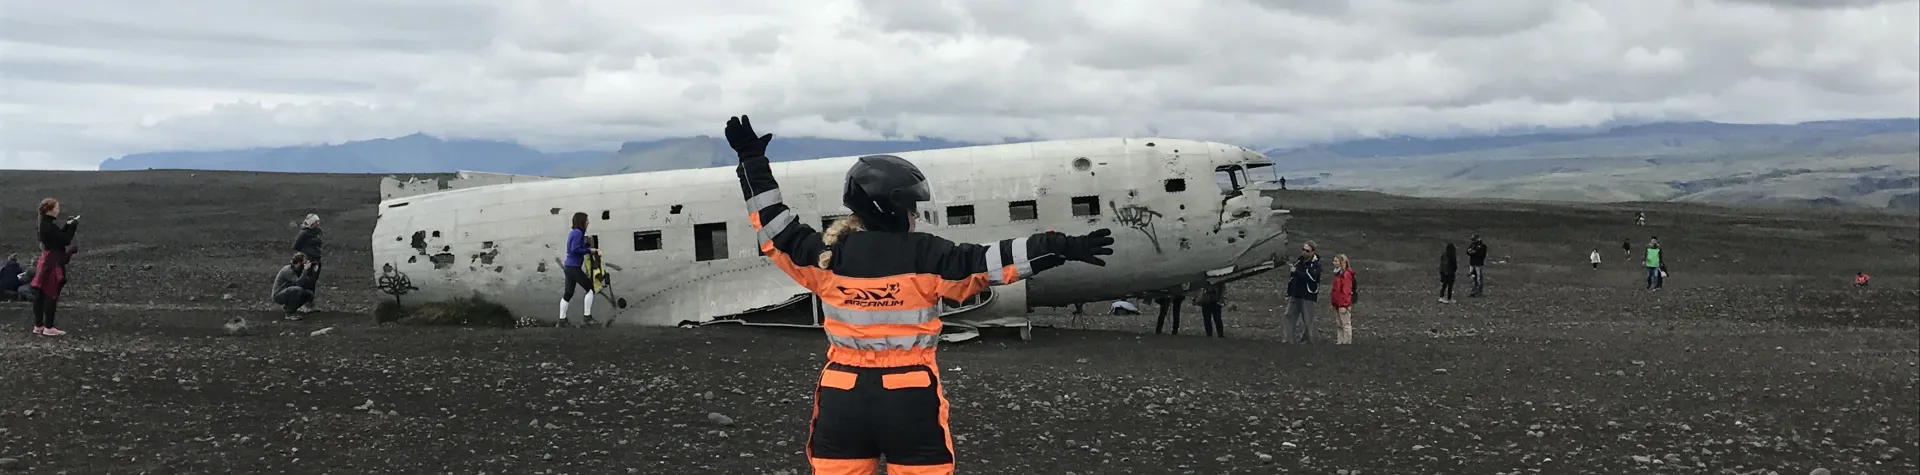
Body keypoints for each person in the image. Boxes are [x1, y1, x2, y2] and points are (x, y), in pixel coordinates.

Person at [726, 115, 1114, 474]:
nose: (915, 213)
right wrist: (1063, 246)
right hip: (909, 397)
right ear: (892, 206)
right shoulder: (929, 254)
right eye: (911, 205)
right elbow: (994, 261)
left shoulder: (826, 257)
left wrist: (751, 161)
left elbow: (775, 228)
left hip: (843, 396)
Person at [30, 198, 80, 336]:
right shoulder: (49, 226)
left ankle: (38, 325)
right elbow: (64, 240)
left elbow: (58, 238)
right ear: (49, 210)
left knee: (40, 294)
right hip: (53, 263)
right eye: (56, 208)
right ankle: (49, 327)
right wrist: (73, 226)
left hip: (45, 261)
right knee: (51, 293)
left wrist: (66, 226)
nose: (58, 210)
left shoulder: (44, 224)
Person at [558, 212, 600, 327]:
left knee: (568, 293)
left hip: (568, 267)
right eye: (586, 220)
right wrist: (589, 251)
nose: (588, 222)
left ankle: (562, 320)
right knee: (590, 289)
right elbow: (574, 250)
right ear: (582, 221)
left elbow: (574, 249)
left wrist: (586, 246)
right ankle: (587, 318)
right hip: (574, 267)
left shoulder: (574, 233)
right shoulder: (578, 233)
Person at [1282, 240, 1322, 344]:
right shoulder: (1299, 261)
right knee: (1289, 315)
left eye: (1307, 251)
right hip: (1296, 293)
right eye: (1303, 250)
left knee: (1308, 319)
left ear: (1313, 252)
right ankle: (1288, 339)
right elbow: (1292, 278)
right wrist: (1289, 291)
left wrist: (1296, 272)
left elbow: (1312, 277)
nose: (1304, 252)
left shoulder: (1316, 264)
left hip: (1308, 295)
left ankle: (1307, 339)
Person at [292, 213, 325, 311]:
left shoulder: (317, 231)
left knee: (312, 282)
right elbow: (296, 246)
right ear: (311, 223)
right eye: (316, 222)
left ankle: (310, 303)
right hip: (308, 261)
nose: (318, 223)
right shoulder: (304, 233)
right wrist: (306, 254)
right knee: (307, 282)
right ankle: (303, 304)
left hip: (316, 260)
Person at [271, 253, 318, 320]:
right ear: (299, 263)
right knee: (297, 290)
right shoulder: (287, 270)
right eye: (304, 263)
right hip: (278, 295)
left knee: (309, 294)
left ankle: (288, 307)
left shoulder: (297, 270)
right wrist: (305, 270)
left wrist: (312, 271)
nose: (305, 265)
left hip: (288, 292)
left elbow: (308, 282)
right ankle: (289, 314)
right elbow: (299, 283)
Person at [1329, 254, 1358, 345]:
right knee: (1339, 324)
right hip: (1337, 302)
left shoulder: (1346, 275)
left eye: (1336, 261)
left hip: (1342, 303)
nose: (1334, 263)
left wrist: (1344, 305)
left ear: (1342, 263)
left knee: (1345, 324)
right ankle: (1340, 341)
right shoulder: (1338, 274)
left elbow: (1346, 291)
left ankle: (1347, 343)